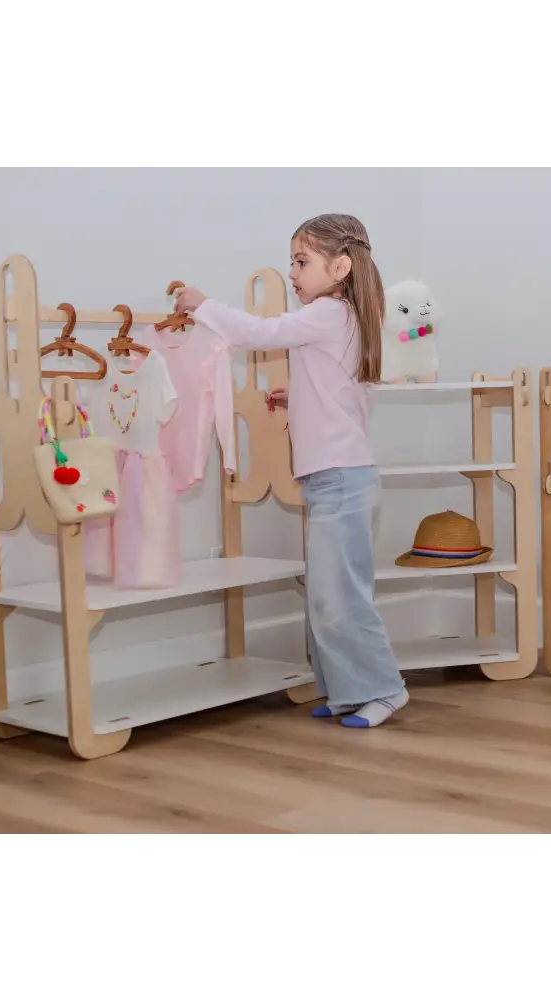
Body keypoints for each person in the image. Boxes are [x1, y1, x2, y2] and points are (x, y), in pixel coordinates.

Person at [173, 214, 408, 729]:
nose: (294, 274)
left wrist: (204, 305)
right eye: (292, 263)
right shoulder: (343, 319)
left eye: (302, 262)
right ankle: (347, 691)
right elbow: (341, 393)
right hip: (335, 480)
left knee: (340, 598)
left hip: (342, 480)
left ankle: (384, 690)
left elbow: (262, 333)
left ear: (341, 267)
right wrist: (295, 395)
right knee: (327, 596)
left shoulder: (329, 312)